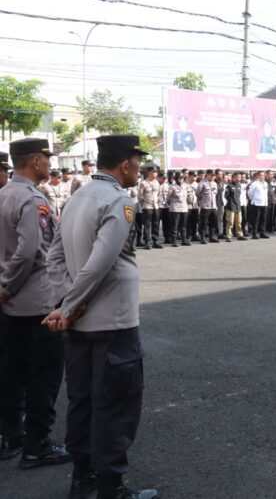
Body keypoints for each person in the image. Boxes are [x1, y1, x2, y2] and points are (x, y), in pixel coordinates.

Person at [44, 134, 158, 499]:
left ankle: (83, 479)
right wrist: (69, 306)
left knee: (82, 402)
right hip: (113, 323)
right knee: (116, 405)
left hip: (79, 325)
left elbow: (54, 258)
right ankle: (111, 487)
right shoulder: (118, 200)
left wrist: (66, 302)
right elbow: (100, 263)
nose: (140, 168)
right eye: (137, 162)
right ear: (125, 164)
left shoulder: (77, 198)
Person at [0, 138, 71, 468]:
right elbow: (29, 252)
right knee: (44, 375)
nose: (49, 163)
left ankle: (12, 435)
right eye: (46, 158)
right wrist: (7, 286)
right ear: (34, 161)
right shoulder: (32, 199)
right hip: (36, 301)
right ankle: (37, 445)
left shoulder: (4, 193)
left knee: (12, 372)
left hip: (11, 304)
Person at [137, 167, 161, 250]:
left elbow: (158, 194)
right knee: (147, 225)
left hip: (156, 206)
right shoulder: (143, 183)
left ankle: (155, 241)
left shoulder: (157, 182)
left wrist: (157, 202)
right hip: (147, 206)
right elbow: (140, 196)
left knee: (156, 224)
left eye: (156, 172)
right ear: (149, 173)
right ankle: (147, 242)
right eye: (154, 172)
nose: (155, 174)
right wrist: (144, 204)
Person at [167, 172, 193, 247]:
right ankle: (174, 241)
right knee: (175, 226)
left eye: (181, 178)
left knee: (183, 226)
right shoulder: (172, 187)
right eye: (179, 178)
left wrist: (190, 200)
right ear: (176, 179)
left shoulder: (186, 186)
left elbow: (189, 195)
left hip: (184, 208)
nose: (180, 179)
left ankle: (184, 240)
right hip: (175, 208)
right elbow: (168, 198)